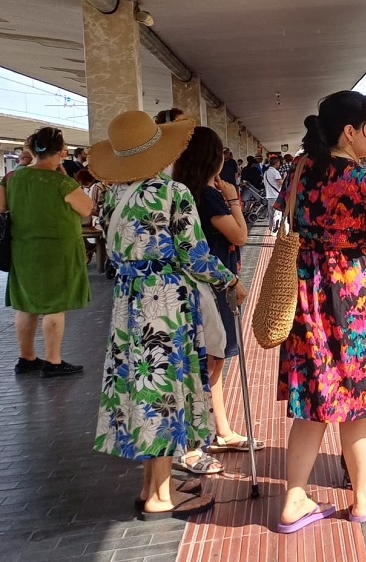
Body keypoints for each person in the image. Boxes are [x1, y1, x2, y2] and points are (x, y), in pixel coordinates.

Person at [89, 110, 246, 521]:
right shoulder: (171, 194)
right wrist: (230, 281)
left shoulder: (110, 197)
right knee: (162, 393)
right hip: (164, 306)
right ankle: (160, 495)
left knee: (141, 391)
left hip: (127, 305)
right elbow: (196, 255)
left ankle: (152, 484)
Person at [274, 90, 366, 533]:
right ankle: (360, 498)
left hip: (309, 296)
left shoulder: (299, 172)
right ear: (350, 132)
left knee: (315, 399)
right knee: (358, 398)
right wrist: (360, 247)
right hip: (355, 299)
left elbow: (290, 220)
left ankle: (295, 501)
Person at [173, 126, 263, 462]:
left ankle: (221, 429)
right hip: (214, 284)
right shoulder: (208, 195)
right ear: (213, 159)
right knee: (213, 361)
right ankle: (201, 438)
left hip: (198, 285)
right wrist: (234, 199)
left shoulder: (182, 191)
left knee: (213, 361)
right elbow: (239, 236)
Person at [1, 127, 92, 376]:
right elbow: (86, 209)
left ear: (32, 149)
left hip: (24, 249)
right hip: (58, 252)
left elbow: (2, 206)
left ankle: (26, 358)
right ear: (61, 152)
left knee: (26, 305)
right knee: (54, 306)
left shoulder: (12, 178)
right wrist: (66, 178)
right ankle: (53, 361)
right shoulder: (62, 182)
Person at [262, 156, 284, 233]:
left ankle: (271, 229)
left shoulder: (266, 172)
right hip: (276, 196)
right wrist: (284, 177)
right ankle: (275, 230)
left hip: (269, 196)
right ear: (276, 163)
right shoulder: (275, 172)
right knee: (277, 214)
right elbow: (281, 183)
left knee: (271, 215)